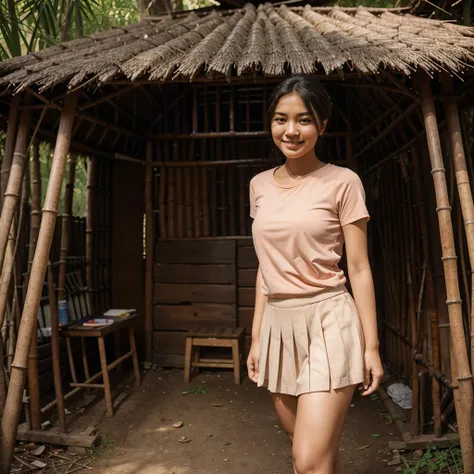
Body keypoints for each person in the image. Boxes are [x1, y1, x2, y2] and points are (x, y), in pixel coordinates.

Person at [246, 75, 383, 474]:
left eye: (304, 120)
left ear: (322, 125)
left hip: (329, 321)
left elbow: (358, 267)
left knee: (307, 461)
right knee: (311, 452)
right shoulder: (258, 185)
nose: (291, 131)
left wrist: (371, 346)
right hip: (277, 326)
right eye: (281, 119)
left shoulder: (343, 182)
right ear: (270, 123)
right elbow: (264, 267)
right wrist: (257, 338)